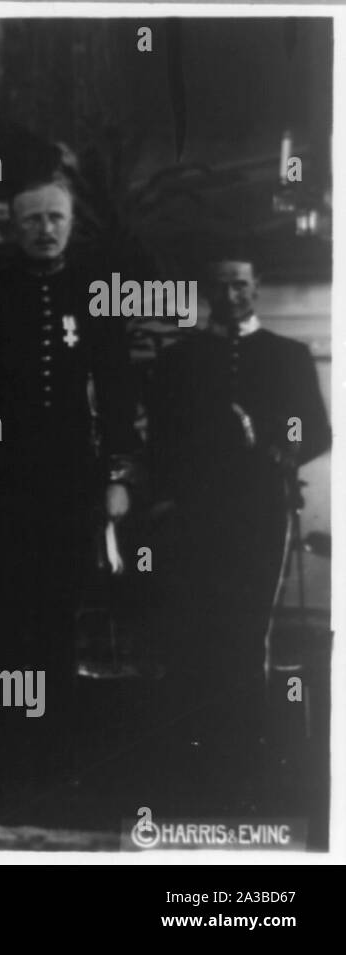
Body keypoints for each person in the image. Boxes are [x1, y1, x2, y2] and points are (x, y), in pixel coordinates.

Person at [0, 178, 138, 781]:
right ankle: (1, 747)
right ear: (12, 225)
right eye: (32, 220)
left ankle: (57, 743)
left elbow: (121, 390)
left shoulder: (98, 294)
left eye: (55, 218)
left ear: (71, 222)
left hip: (73, 479)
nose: (45, 230)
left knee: (58, 610)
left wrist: (119, 475)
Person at [147, 250, 330, 804]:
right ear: (208, 290)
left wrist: (281, 447)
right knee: (197, 624)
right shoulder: (181, 359)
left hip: (259, 510)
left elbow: (311, 428)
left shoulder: (288, 356)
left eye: (242, 286)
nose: (232, 297)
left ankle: (249, 753)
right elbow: (162, 436)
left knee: (249, 628)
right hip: (194, 512)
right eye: (222, 286)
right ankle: (196, 751)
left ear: (258, 288)